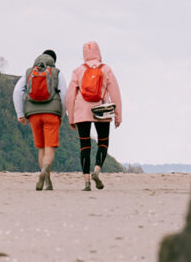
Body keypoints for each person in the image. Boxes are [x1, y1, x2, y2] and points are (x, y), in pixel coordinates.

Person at [63, 40, 123, 192]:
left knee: (85, 145)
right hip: (102, 110)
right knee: (103, 142)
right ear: (99, 52)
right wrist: (118, 116)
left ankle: (86, 182)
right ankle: (96, 170)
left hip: (81, 112)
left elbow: (70, 96)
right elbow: (115, 93)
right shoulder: (106, 69)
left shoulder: (78, 71)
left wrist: (71, 117)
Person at [13, 50, 63, 191]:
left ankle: (47, 180)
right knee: (49, 148)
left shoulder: (29, 72)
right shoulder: (56, 73)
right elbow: (64, 95)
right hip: (51, 114)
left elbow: (17, 91)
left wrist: (20, 114)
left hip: (33, 114)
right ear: (54, 60)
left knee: (41, 148)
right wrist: (62, 115)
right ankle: (45, 170)